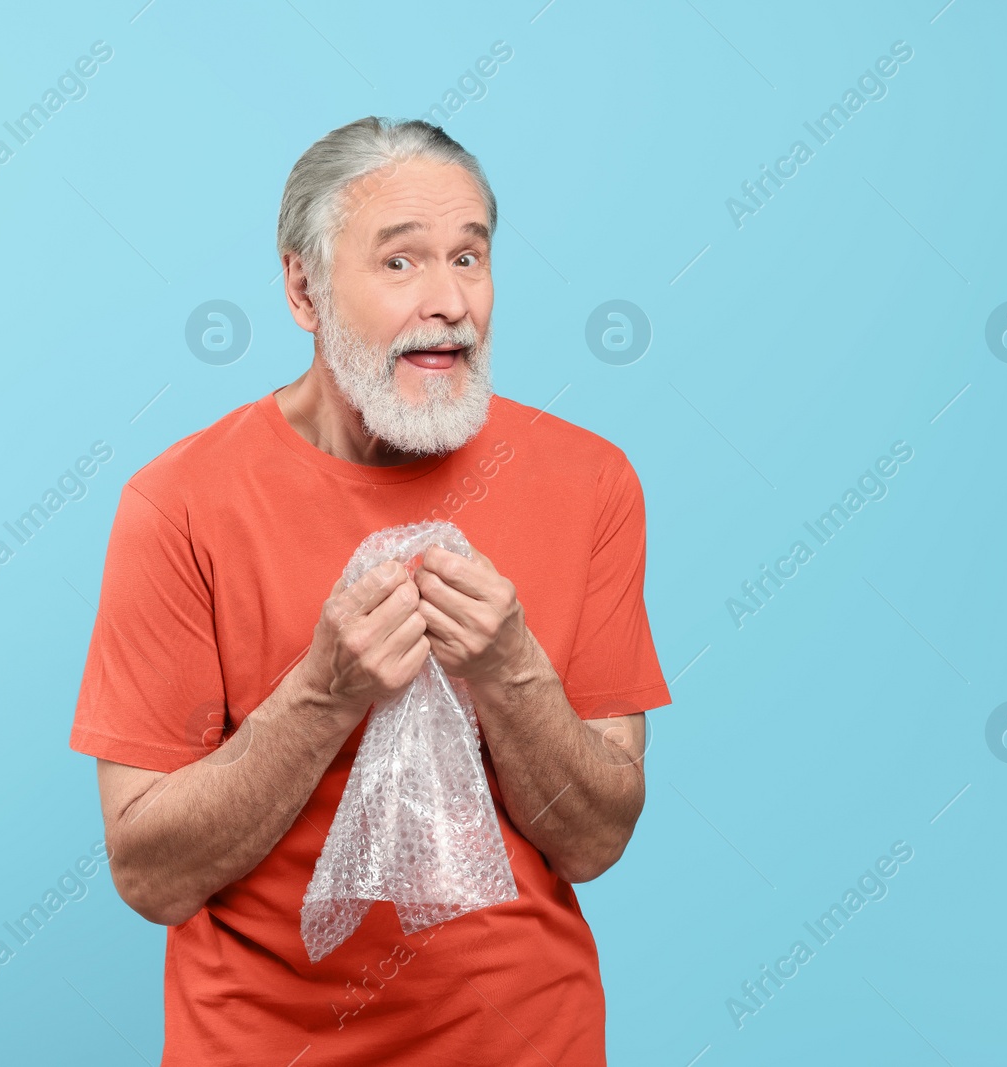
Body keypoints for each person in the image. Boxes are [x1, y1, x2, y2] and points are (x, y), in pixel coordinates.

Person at [70, 115, 671, 1065]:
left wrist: (512, 668)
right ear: (304, 289)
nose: (449, 302)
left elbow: (596, 840)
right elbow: (149, 873)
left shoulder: (591, 481)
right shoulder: (178, 503)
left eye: (470, 257)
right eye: (400, 264)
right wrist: (322, 693)